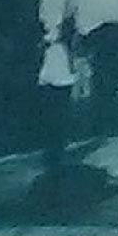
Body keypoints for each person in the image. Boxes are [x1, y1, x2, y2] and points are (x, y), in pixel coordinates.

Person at [37, 16, 77, 174]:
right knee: (57, 121)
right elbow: (71, 68)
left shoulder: (54, 45)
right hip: (58, 85)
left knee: (54, 121)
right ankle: (54, 153)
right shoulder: (58, 46)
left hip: (54, 85)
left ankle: (52, 153)